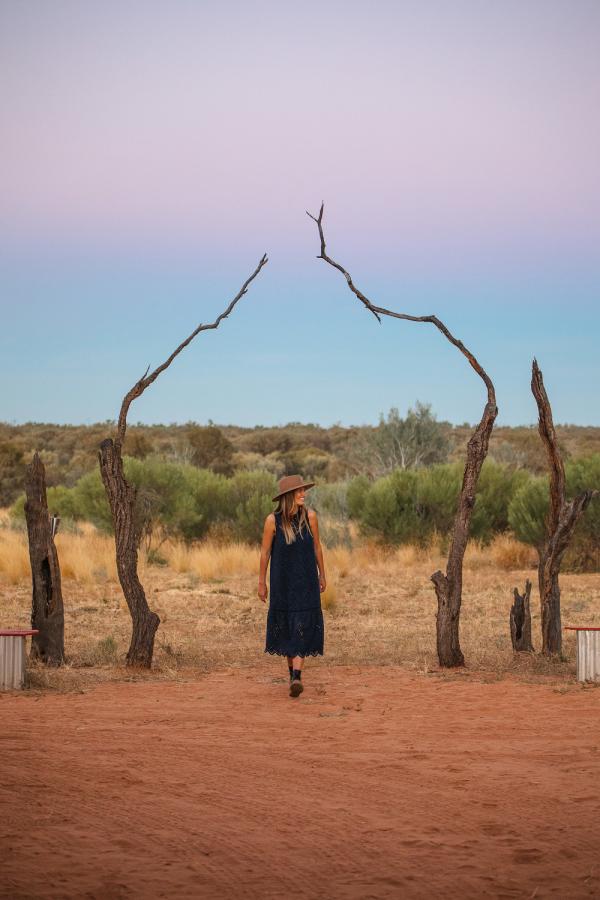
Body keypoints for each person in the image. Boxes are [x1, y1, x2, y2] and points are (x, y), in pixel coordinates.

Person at [258, 474, 326, 697]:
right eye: (299, 491)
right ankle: (293, 675)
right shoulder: (272, 521)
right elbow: (265, 553)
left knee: (302, 626)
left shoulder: (311, 517)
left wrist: (322, 574)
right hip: (282, 582)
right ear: (288, 495)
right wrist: (261, 582)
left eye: (303, 490)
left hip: (306, 581)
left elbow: (317, 548)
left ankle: (296, 676)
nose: (303, 494)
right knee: (288, 626)